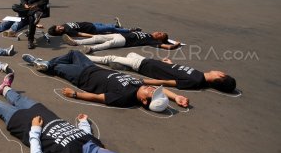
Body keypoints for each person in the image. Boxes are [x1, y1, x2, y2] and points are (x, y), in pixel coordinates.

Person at [22, 51, 189, 111]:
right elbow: (160, 87)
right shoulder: (140, 86)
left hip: (82, 77)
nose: (151, 89)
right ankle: (46, 63)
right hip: (93, 68)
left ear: (144, 101)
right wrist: (176, 97)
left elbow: (99, 98)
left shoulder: (125, 97)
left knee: (58, 67)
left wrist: (75, 94)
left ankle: (44, 64)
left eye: (151, 93)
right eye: (153, 90)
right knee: (74, 54)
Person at [87, 52, 237, 93]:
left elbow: (167, 82)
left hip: (146, 67)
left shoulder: (197, 82)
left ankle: (86, 56)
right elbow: (177, 71)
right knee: (131, 54)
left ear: (220, 76)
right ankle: (124, 66)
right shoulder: (200, 75)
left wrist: (144, 81)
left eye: (221, 72)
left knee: (110, 57)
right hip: (152, 62)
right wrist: (170, 64)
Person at [61, 31, 182, 54]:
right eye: (159, 31)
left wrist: (176, 44)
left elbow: (167, 47)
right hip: (120, 35)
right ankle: (76, 42)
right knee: (97, 37)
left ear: (159, 39)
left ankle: (91, 49)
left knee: (109, 45)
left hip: (125, 41)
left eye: (161, 35)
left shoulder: (151, 40)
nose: (158, 33)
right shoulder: (147, 34)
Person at [47, 19, 136, 38]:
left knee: (104, 24)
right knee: (110, 29)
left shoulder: (64, 25)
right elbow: (81, 34)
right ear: (58, 33)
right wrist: (93, 36)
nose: (59, 27)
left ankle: (117, 26)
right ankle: (129, 31)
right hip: (93, 30)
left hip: (91, 24)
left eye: (57, 26)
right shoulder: (68, 31)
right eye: (58, 29)